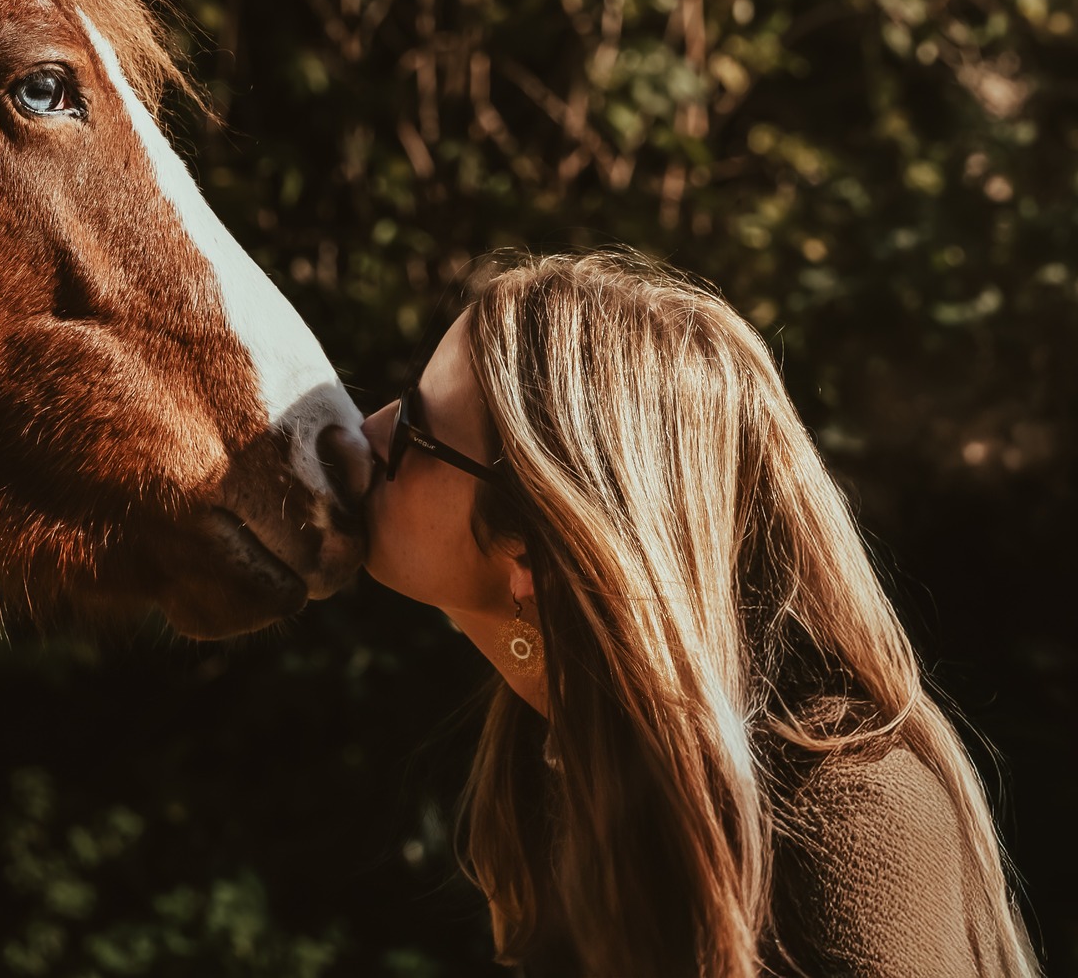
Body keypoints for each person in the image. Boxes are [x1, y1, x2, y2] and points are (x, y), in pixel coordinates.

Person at [360, 250, 1040, 978]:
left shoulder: (843, 814)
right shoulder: (557, 763)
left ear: (536, 548)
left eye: (414, 429)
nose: (365, 430)